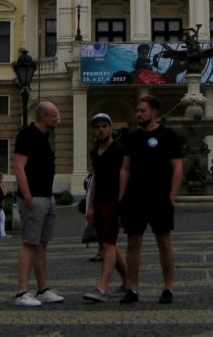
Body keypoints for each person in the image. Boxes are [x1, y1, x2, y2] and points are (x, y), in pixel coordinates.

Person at [119, 95, 183, 305]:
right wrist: (121, 198)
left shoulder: (168, 136)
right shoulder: (131, 138)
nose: (138, 114)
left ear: (154, 111)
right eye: (137, 111)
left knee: (163, 242)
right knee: (133, 242)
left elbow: (177, 168)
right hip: (135, 198)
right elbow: (125, 169)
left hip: (160, 197)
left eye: (142, 111)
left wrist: (172, 197)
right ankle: (132, 288)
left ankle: (168, 287)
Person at [12, 100, 64, 307]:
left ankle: (43, 289)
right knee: (30, 243)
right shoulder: (27, 135)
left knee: (42, 244)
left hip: (46, 196)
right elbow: (18, 166)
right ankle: (21, 291)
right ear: (43, 117)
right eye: (54, 116)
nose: (57, 119)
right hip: (34, 197)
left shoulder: (45, 137)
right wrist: (28, 195)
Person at [83, 113, 129, 302]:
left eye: (104, 126)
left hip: (113, 202)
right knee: (109, 243)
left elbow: (124, 176)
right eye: (97, 127)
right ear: (94, 131)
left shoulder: (119, 150)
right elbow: (95, 181)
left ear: (111, 128)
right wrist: (90, 206)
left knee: (108, 244)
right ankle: (128, 282)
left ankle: (101, 288)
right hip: (100, 202)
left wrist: (121, 204)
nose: (101, 129)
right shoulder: (95, 152)